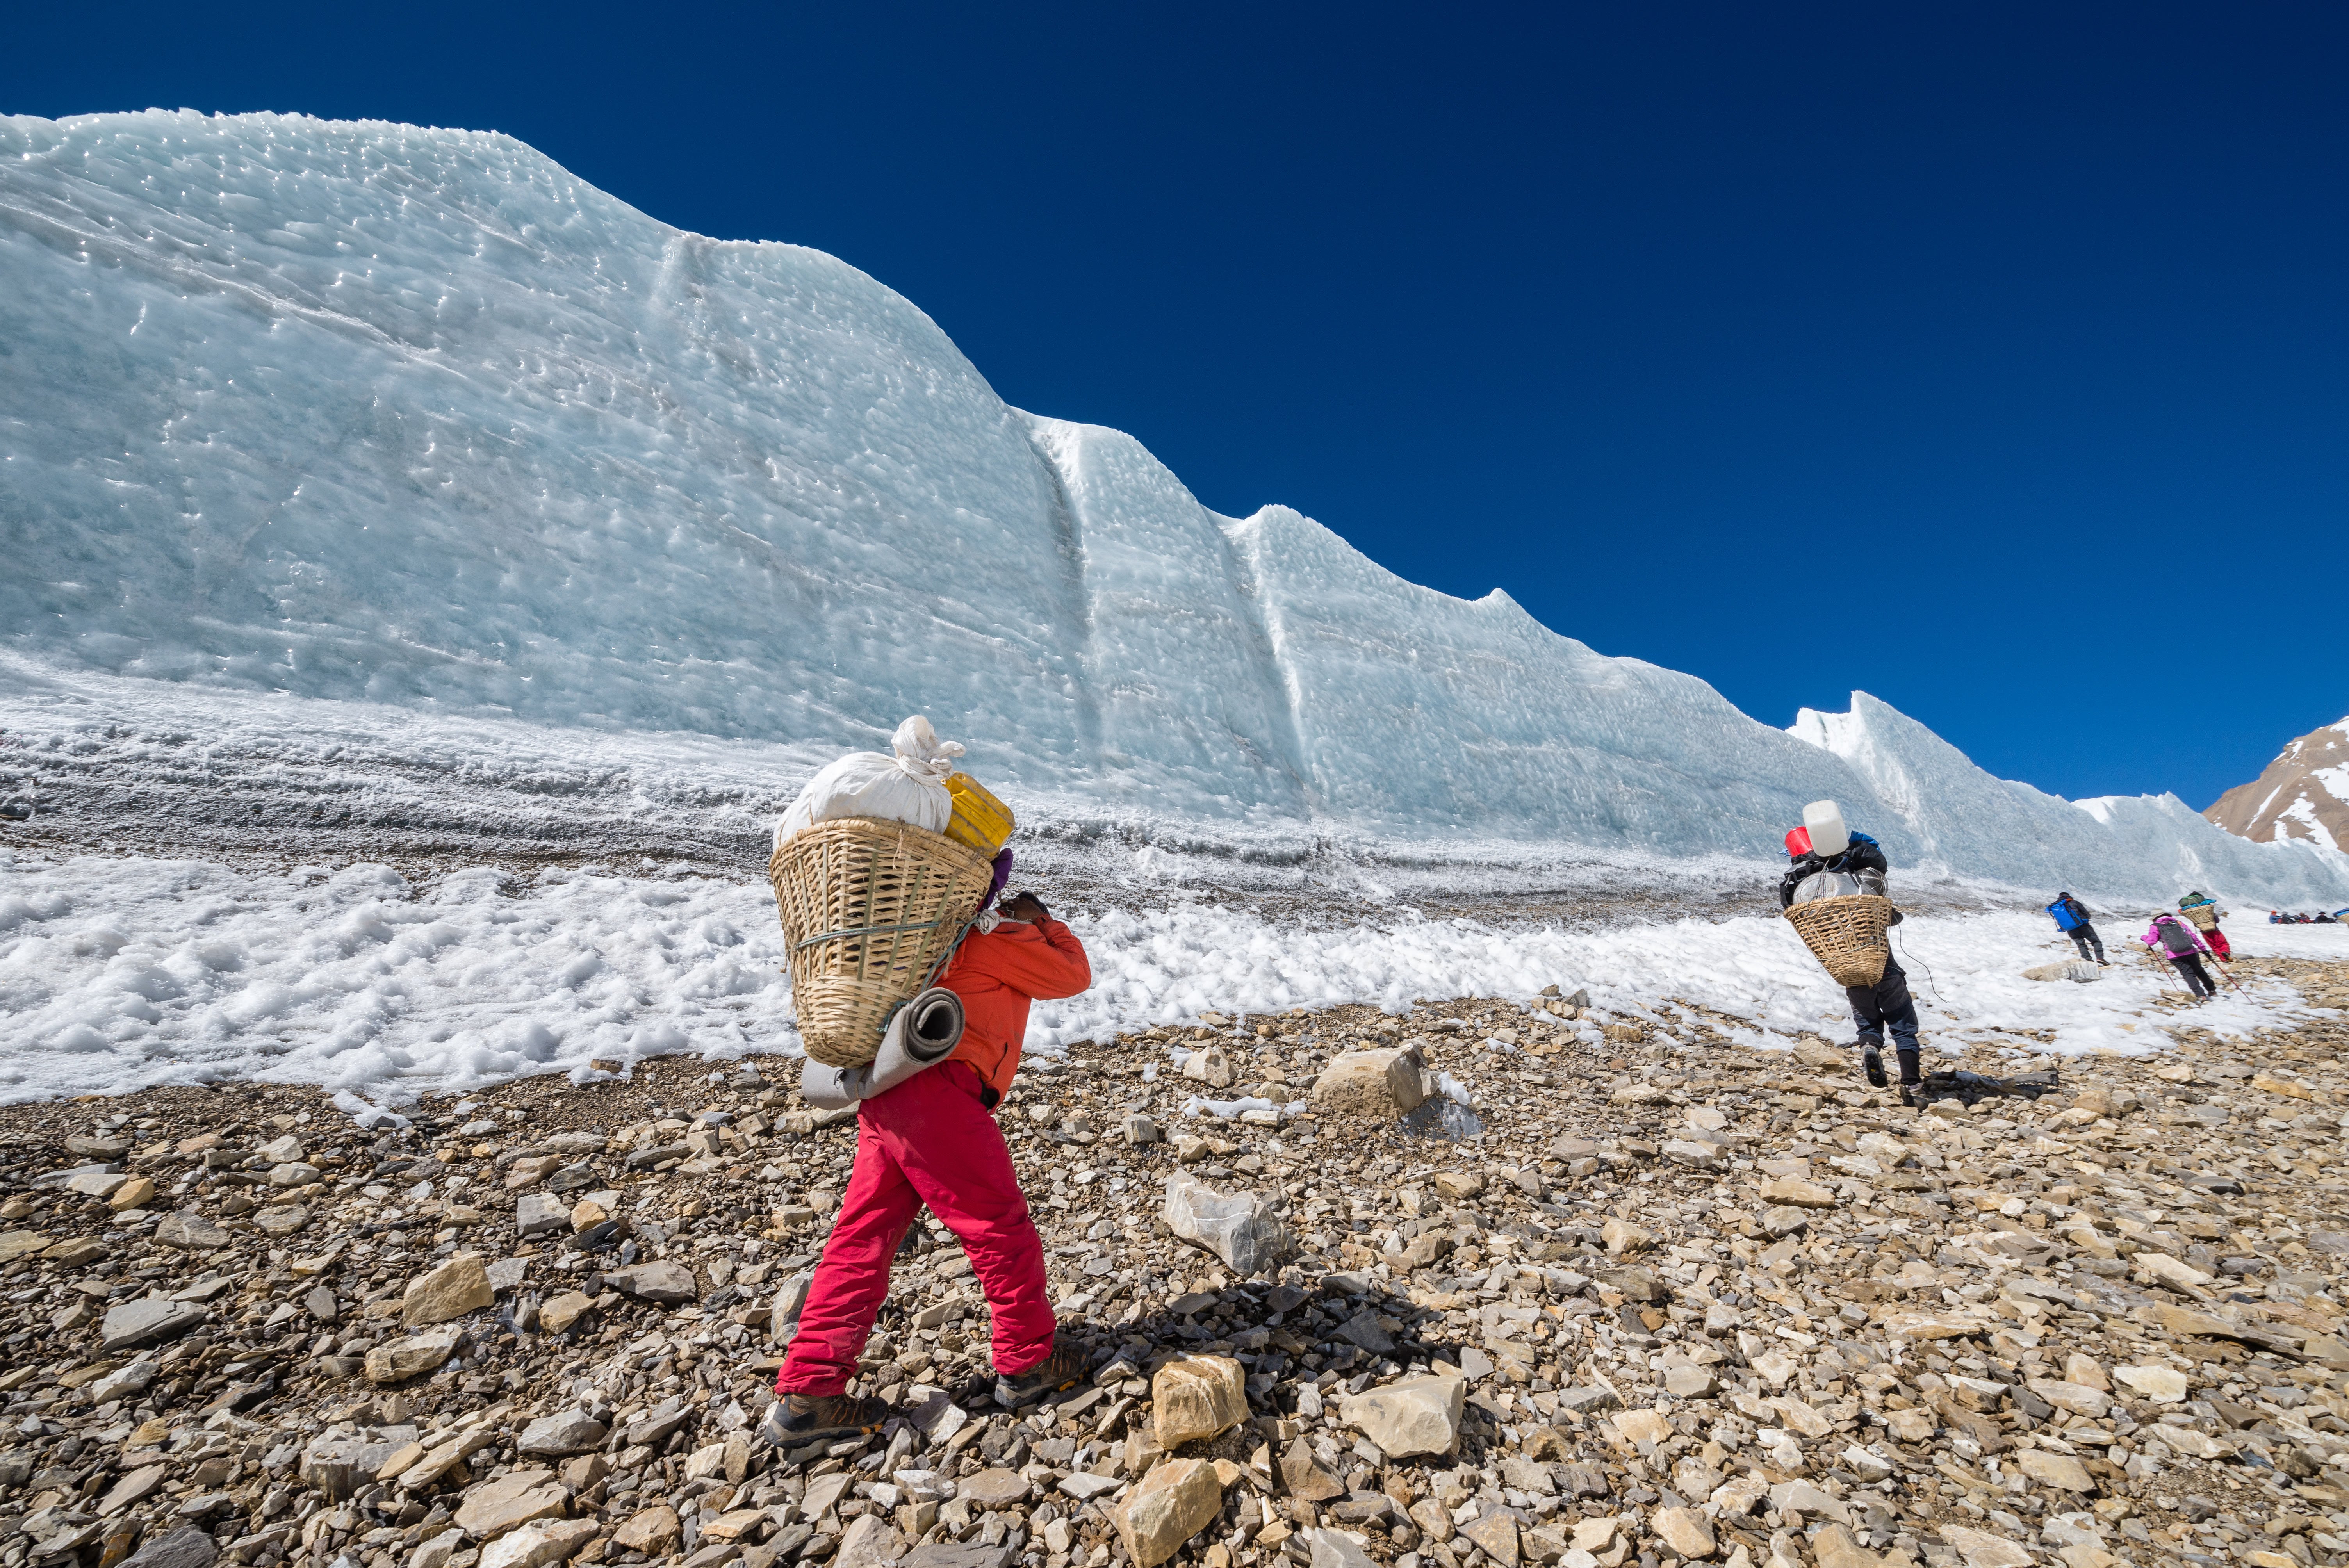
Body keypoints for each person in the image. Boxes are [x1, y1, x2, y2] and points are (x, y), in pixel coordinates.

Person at [766, 874, 1094, 1442]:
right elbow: (1072, 973)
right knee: (999, 1227)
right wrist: (1040, 919)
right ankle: (1028, 1360)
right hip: (940, 1096)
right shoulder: (989, 938)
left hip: (888, 1088)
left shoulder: (913, 944)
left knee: (862, 1237)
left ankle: (809, 1394)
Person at [1779, 822, 1923, 1101]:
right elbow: (1878, 866)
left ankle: (1870, 1047)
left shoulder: (1795, 885)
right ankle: (1913, 1087)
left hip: (1848, 971)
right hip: (1884, 968)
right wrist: (1847, 848)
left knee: (1868, 1025)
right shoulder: (1852, 879)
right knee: (1903, 1027)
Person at [2143, 911, 2221, 999]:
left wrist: (2143, 937)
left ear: (2155, 918)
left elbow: (2151, 942)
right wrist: (2203, 949)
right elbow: (2193, 937)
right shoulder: (2178, 923)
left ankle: (2200, 995)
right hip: (2191, 952)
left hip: (2174, 955)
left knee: (2188, 974)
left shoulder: (2155, 926)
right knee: (2199, 971)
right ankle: (2212, 991)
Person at [2047, 892, 2108, 965]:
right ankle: (2100, 958)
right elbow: (2086, 913)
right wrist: (2086, 920)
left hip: (2070, 928)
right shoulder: (2075, 903)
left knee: (2081, 944)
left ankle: (2088, 961)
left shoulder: (2057, 907)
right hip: (2084, 926)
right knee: (2096, 942)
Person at [2178, 892, 2231, 962]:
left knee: (2214, 946)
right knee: (2222, 943)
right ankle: (2226, 953)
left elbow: (2196, 924)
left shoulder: (2193, 913)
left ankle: (2223, 958)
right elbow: (2217, 921)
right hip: (2215, 930)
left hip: (2204, 932)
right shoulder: (2208, 912)